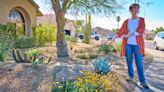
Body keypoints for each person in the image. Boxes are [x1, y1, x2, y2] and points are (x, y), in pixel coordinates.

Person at [111, 3, 149, 89]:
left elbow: (141, 30)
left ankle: (142, 81)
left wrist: (130, 34)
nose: (136, 10)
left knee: (139, 63)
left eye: (137, 8)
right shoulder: (126, 21)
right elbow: (121, 31)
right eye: (134, 8)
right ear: (130, 10)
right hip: (128, 44)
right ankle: (130, 77)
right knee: (129, 61)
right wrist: (114, 36)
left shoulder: (141, 20)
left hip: (137, 45)